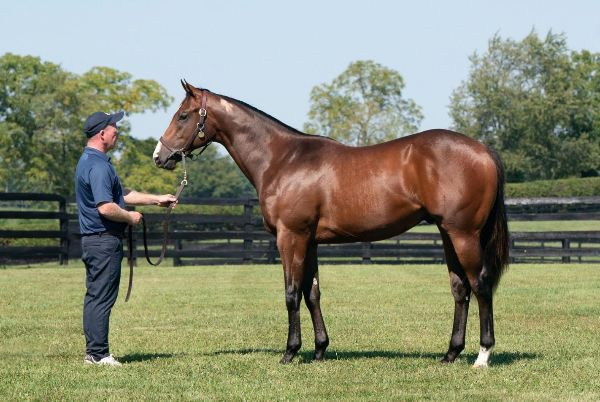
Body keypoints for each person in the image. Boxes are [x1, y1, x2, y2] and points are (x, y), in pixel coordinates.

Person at [75, 111, 177, 366]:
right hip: (104, 240)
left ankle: (93, 352)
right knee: (102, 297)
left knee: (95, 295)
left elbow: (122, 194)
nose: (117, 131)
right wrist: (130, 218)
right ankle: (99, 354)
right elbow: (106, 207)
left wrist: (156, 199)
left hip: (94, 240)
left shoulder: (92, 161)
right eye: (114, 128)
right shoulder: (98, 166)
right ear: (102, 134)